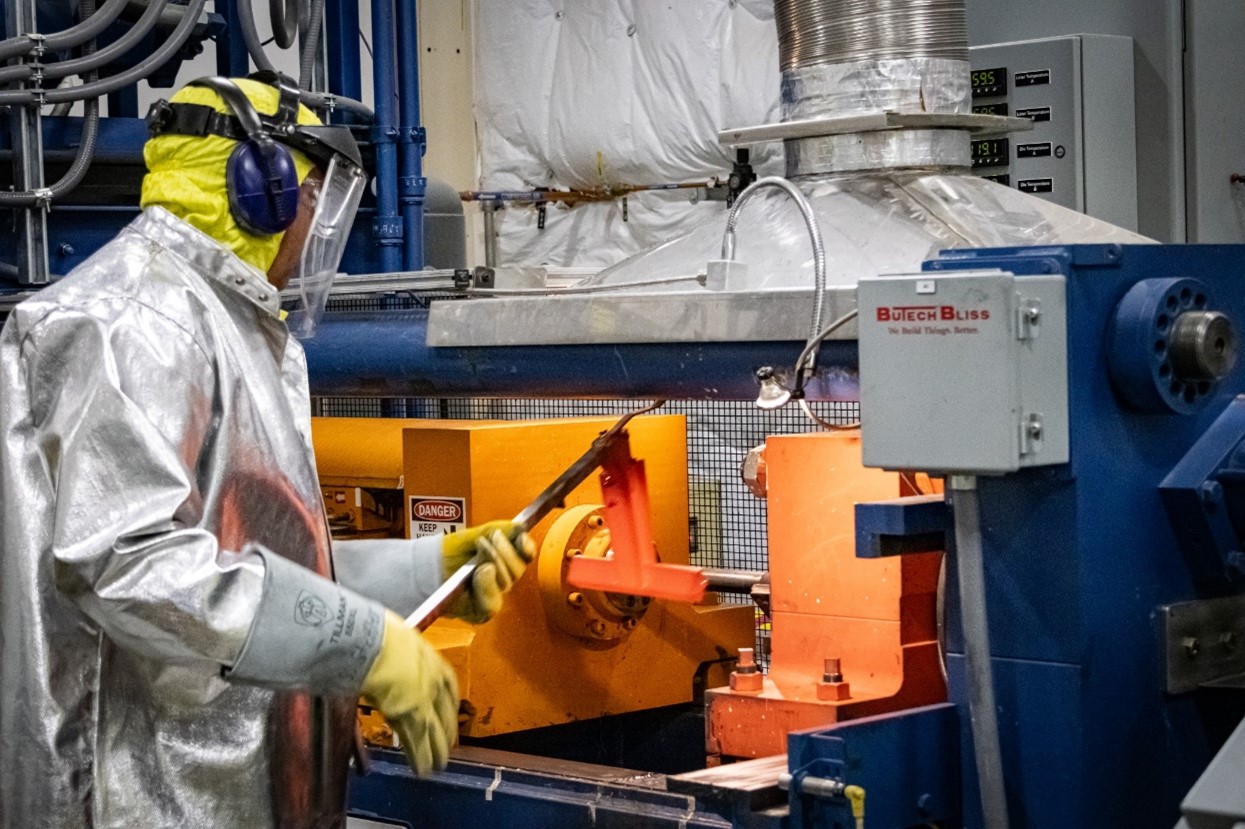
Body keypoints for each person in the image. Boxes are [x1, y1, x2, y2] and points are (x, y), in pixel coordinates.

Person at [0, 73, 534, 829]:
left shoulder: (224, 321)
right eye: (313, 197)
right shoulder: (134, 320)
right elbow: (131, 567)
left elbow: (239, 552)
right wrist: (362, 643)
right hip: (139, 797)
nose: (318, 229)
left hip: (234, 795)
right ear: (258, 188)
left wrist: (424, 567)